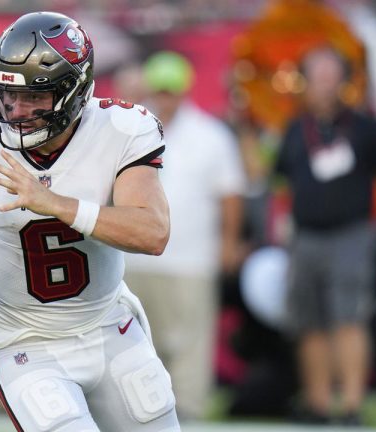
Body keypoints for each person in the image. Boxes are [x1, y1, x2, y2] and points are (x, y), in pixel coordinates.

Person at [0, 12, 180, 431]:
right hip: (21, 339)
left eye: (34, 98)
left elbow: (152, 232)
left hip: (107, 324)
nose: (16, 110)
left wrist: (57, 203)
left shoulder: (120, 129)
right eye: (6, 95)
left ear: (74, 92)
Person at [275, 45, 376, 425]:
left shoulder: (365, 127)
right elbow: (281, 181)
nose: (324, 84)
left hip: (352, 234)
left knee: (349, 318)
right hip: (306, 237)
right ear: (305, 83)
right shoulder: (296, 129)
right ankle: (319, 403)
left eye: (330, 75)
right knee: (308, 322)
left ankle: (352, 406)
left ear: (344, 81)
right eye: (316, 75)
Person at [124, 51, 246, 421]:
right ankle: (136, 411)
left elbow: (230, 194)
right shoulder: (126, 126)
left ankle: (189, 410)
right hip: (133, 254)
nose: (164, 97)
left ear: (183, 91)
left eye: (171, 90)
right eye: (159, 89)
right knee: (135, 342)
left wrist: (227, 243)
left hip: (192, 257)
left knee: (191, 341)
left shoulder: (210, 134)